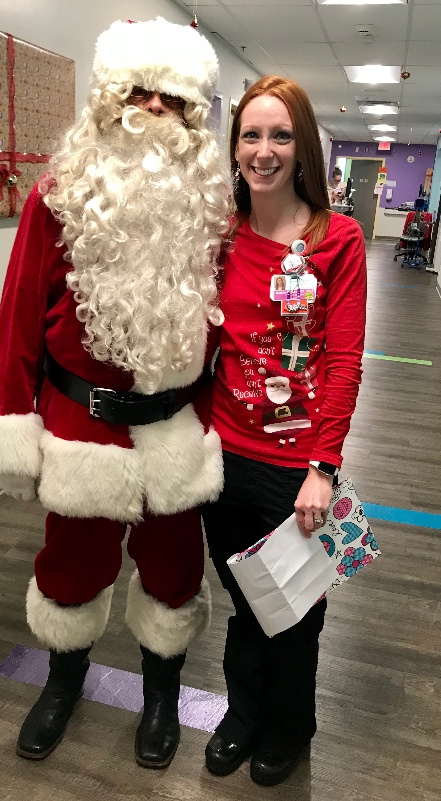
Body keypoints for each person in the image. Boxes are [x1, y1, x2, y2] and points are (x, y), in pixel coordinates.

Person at [0, 16, 228, 769]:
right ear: (111, 101)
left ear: (190, 115)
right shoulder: (55, 199)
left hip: (175, 431)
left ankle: (160, 695)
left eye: (170, 100)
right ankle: (61, 682)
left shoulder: (214, 212)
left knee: (176, 576)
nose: (152, 110)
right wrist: (14, 431)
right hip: (81, 429)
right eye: (137, 94)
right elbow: (17, 322)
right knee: (70, 569)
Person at [201, 75, 366, 786]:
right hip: (220, 454)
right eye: (249, 134)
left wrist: (321, 467)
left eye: (279, 135)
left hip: (295, 465)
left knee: (295, 610)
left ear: (301, 148)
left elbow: (345, 360)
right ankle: (242, 712)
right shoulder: (219, 234)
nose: (262, 151)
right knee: (243, 599)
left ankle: (288, 724)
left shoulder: (338, 240)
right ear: (233, 145)